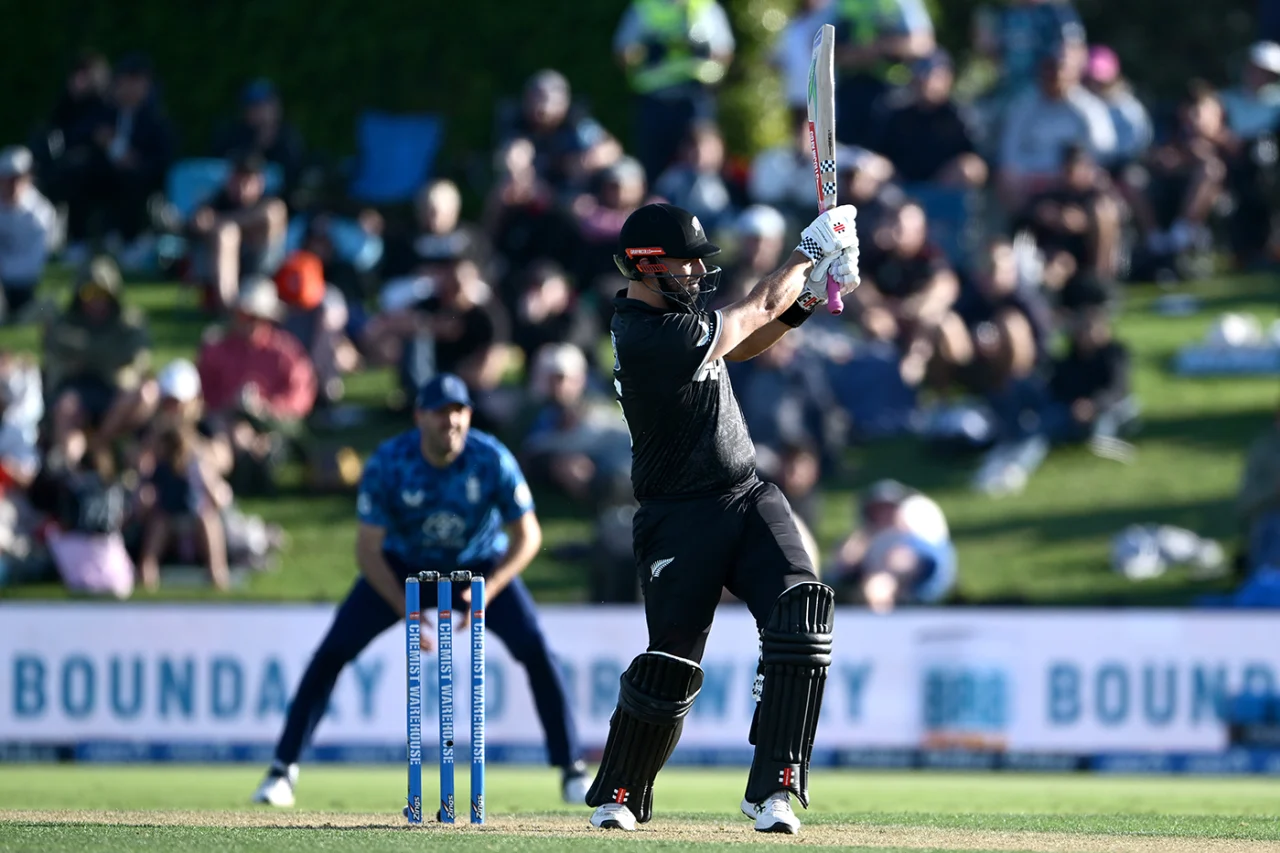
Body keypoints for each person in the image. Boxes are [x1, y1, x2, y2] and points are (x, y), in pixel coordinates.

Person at [585, 202, 860, 834]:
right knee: (672, 661)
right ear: (647, 265)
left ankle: (775, 790)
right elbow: (753, 310)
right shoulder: (647, 335)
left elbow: (750, 340)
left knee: (802, 611)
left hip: (745, 494)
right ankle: (622, 792)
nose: (697, 274)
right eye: (687, 263)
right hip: (676, 515)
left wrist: (810, 298)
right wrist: (811, 251)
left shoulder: (680, 322)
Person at [251, 373, 589, 808]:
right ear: (419, 417)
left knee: (537, 652)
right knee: (332, 653)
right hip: (404, 565)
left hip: (479, 566)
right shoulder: (390, 462)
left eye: (458, 412)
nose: (450, 422)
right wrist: (404, 608)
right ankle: (282, 770)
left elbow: (528, 536)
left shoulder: (491, 458)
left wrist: (489, 589)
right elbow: (368, 549)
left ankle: (571, 770)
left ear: (468, 415)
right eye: (439, 413)